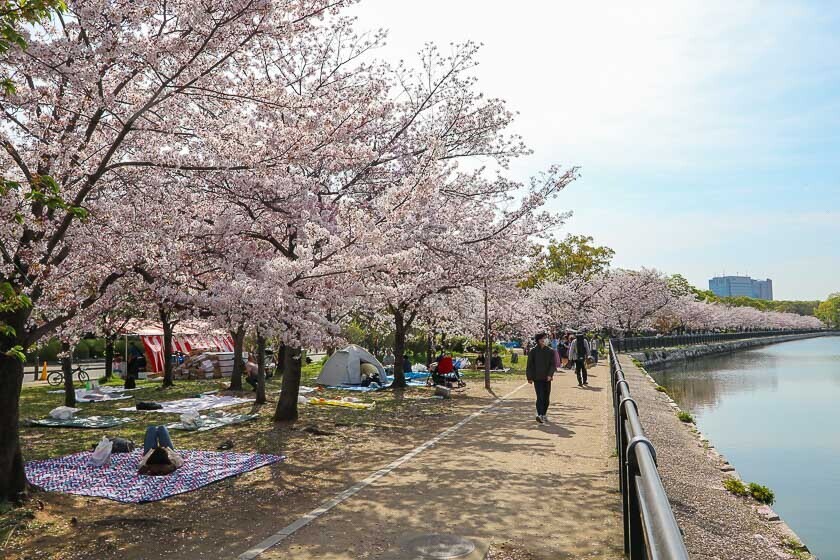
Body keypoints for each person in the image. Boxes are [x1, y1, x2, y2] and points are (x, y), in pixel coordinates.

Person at [526, 333, 555, 423]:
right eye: (543, 338)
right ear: (539, 340)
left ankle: (544, 414)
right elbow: (529, 365)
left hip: (547, 378)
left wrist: (550, 375)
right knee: (540, 397)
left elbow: (552, 365)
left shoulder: (550, 351)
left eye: (545, 338)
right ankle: (540, 414)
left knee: (546, 398)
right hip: (537, 378)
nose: (545, 340)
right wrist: (529, 377)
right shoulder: (533, 351)